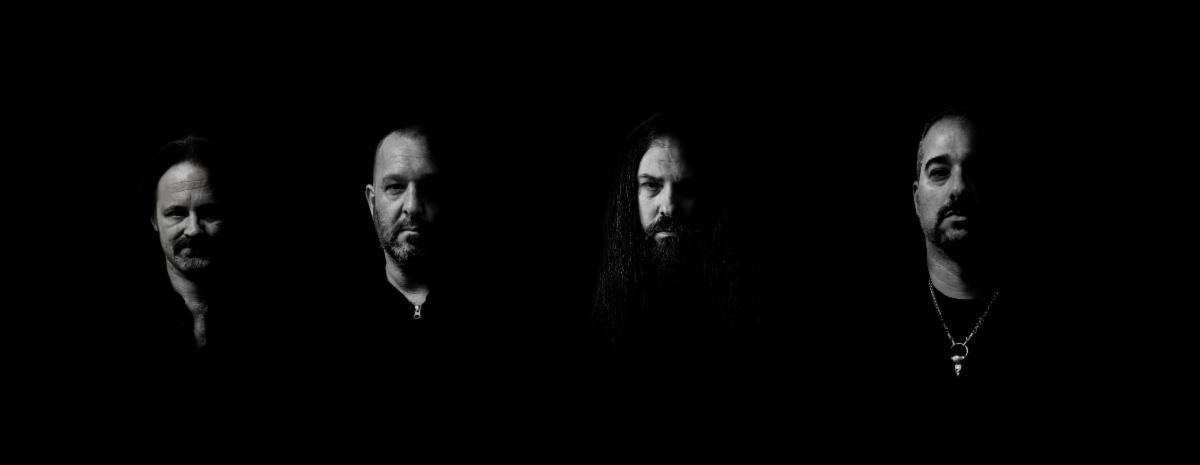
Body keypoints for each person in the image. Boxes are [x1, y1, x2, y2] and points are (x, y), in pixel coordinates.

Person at [591, 112, 754, 362]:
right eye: (652, 185)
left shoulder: (743, 305)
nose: (668, 207)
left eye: (686, 188)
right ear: (629, 195)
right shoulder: (597, 307)